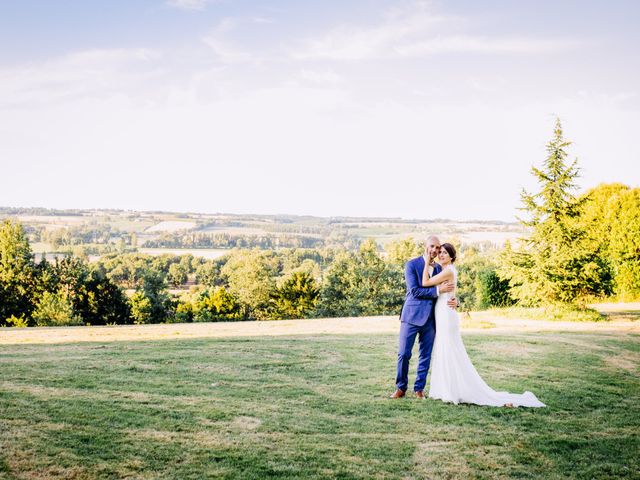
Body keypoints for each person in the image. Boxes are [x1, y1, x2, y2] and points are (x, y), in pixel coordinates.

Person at [422, 243, 545, 407]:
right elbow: (451, 294)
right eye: (441, 252)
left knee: (449, 348)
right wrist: (456, 301)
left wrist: (426, 260)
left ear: (452, 256)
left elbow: (425, 282)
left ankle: (451, 390)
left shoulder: (449, 270)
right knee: (446, 348)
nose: (441, 255)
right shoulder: (448, 270)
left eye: (445, 253)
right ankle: (447, 388)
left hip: (446, 314)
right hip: (445, 312)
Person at [390, 236, 456, 399]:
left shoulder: (441, 268)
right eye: (432, 246)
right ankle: (401, 388)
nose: (435, 250)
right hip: (411, 316)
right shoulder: (412, 265)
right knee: (404, 354)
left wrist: (455, 301)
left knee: (425, 355)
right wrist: (437, 290)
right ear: (425, 246)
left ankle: (419, 389)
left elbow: (449, 288)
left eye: (437, 248)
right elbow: (415, 291)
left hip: (432, 318)